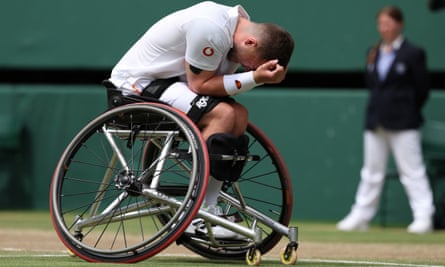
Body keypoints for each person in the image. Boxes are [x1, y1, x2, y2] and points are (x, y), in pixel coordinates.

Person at [107, 1, 294, 238]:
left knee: (239, 114)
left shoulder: (236, 32)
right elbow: (201, 85)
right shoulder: (212, 28)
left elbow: (211, 88)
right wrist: (255, 78)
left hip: (172, 84)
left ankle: (209, 207)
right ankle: (200, 213)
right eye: (249, 64)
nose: (246, 67)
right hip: (137, 85)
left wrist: (253, 75)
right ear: (250, 42)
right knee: (223, 114)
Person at [337, 5, 434, 234]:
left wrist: (405, 110)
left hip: (404, 123)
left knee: (412, 171)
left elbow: (422, 90)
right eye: (381, 23)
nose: (385, 28)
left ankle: (424, 216)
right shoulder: (373, 52)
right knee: (371, 172)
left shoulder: (413, 53)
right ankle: (360, 216)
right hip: (375, 121)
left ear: (399, 25)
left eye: (389, 23)